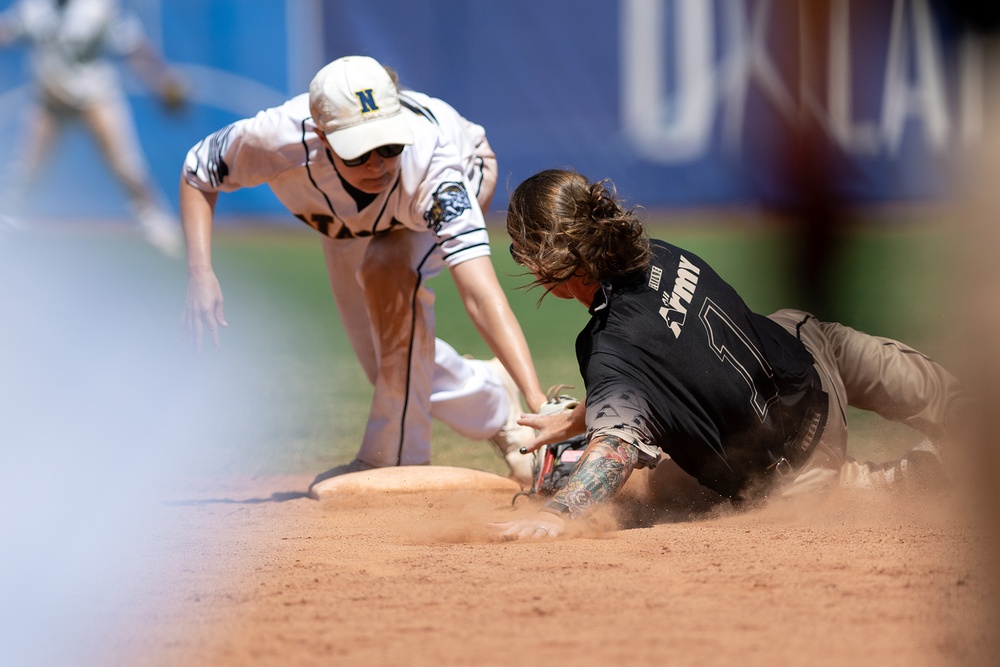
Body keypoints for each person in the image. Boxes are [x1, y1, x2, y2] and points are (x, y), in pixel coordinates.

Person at [494, 169, 968, 540]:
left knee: (674, 482)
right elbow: (671, 363)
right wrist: (581, 417)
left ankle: (894, 479)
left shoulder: (607, 349)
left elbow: (616, 449)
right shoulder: (656, 253)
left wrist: (561, 513)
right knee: (810, 332)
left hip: (796, 474)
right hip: (818, 367)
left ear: (549, 258)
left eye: (520, 252)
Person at [179, 55, 548, 487]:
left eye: (388, 144)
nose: (377, 163)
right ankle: (491, 397)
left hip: (462, 172)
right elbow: (199, 171)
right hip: (347, 228)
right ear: (321, 136)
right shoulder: (276, 137)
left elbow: (481, 293)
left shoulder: (433, 168)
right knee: (385, 365)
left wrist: (539, 401)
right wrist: (200, 272)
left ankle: (394, 459)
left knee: (389, 271)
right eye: (360, 150)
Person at [0, 0, 185, 256]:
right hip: (49, 99)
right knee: (23, 168)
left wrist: (161, 79)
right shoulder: (35, 6)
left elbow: (133, 46)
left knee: (127, 164)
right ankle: (6, 222)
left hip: (94, 96)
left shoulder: (98, 7)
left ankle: (157, 224)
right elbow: (7, 31)